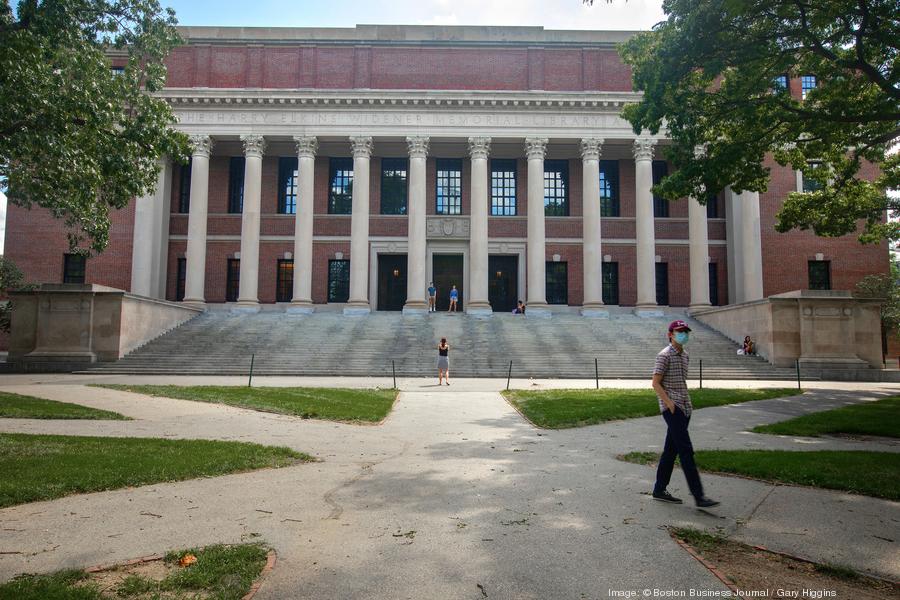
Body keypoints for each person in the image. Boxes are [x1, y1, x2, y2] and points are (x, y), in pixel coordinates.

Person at [651, 319, 720, 508]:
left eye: (686, 332)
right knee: (686, 450)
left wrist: (685, 405)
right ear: (670, 335)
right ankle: (699, 496)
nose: (684, 334)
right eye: (680, 331)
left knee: (670, 451)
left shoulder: (685, 355)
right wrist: (669, 404)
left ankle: (659, 489)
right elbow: (655, 383)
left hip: (685, 407)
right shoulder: (664, 355)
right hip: (673, 409)